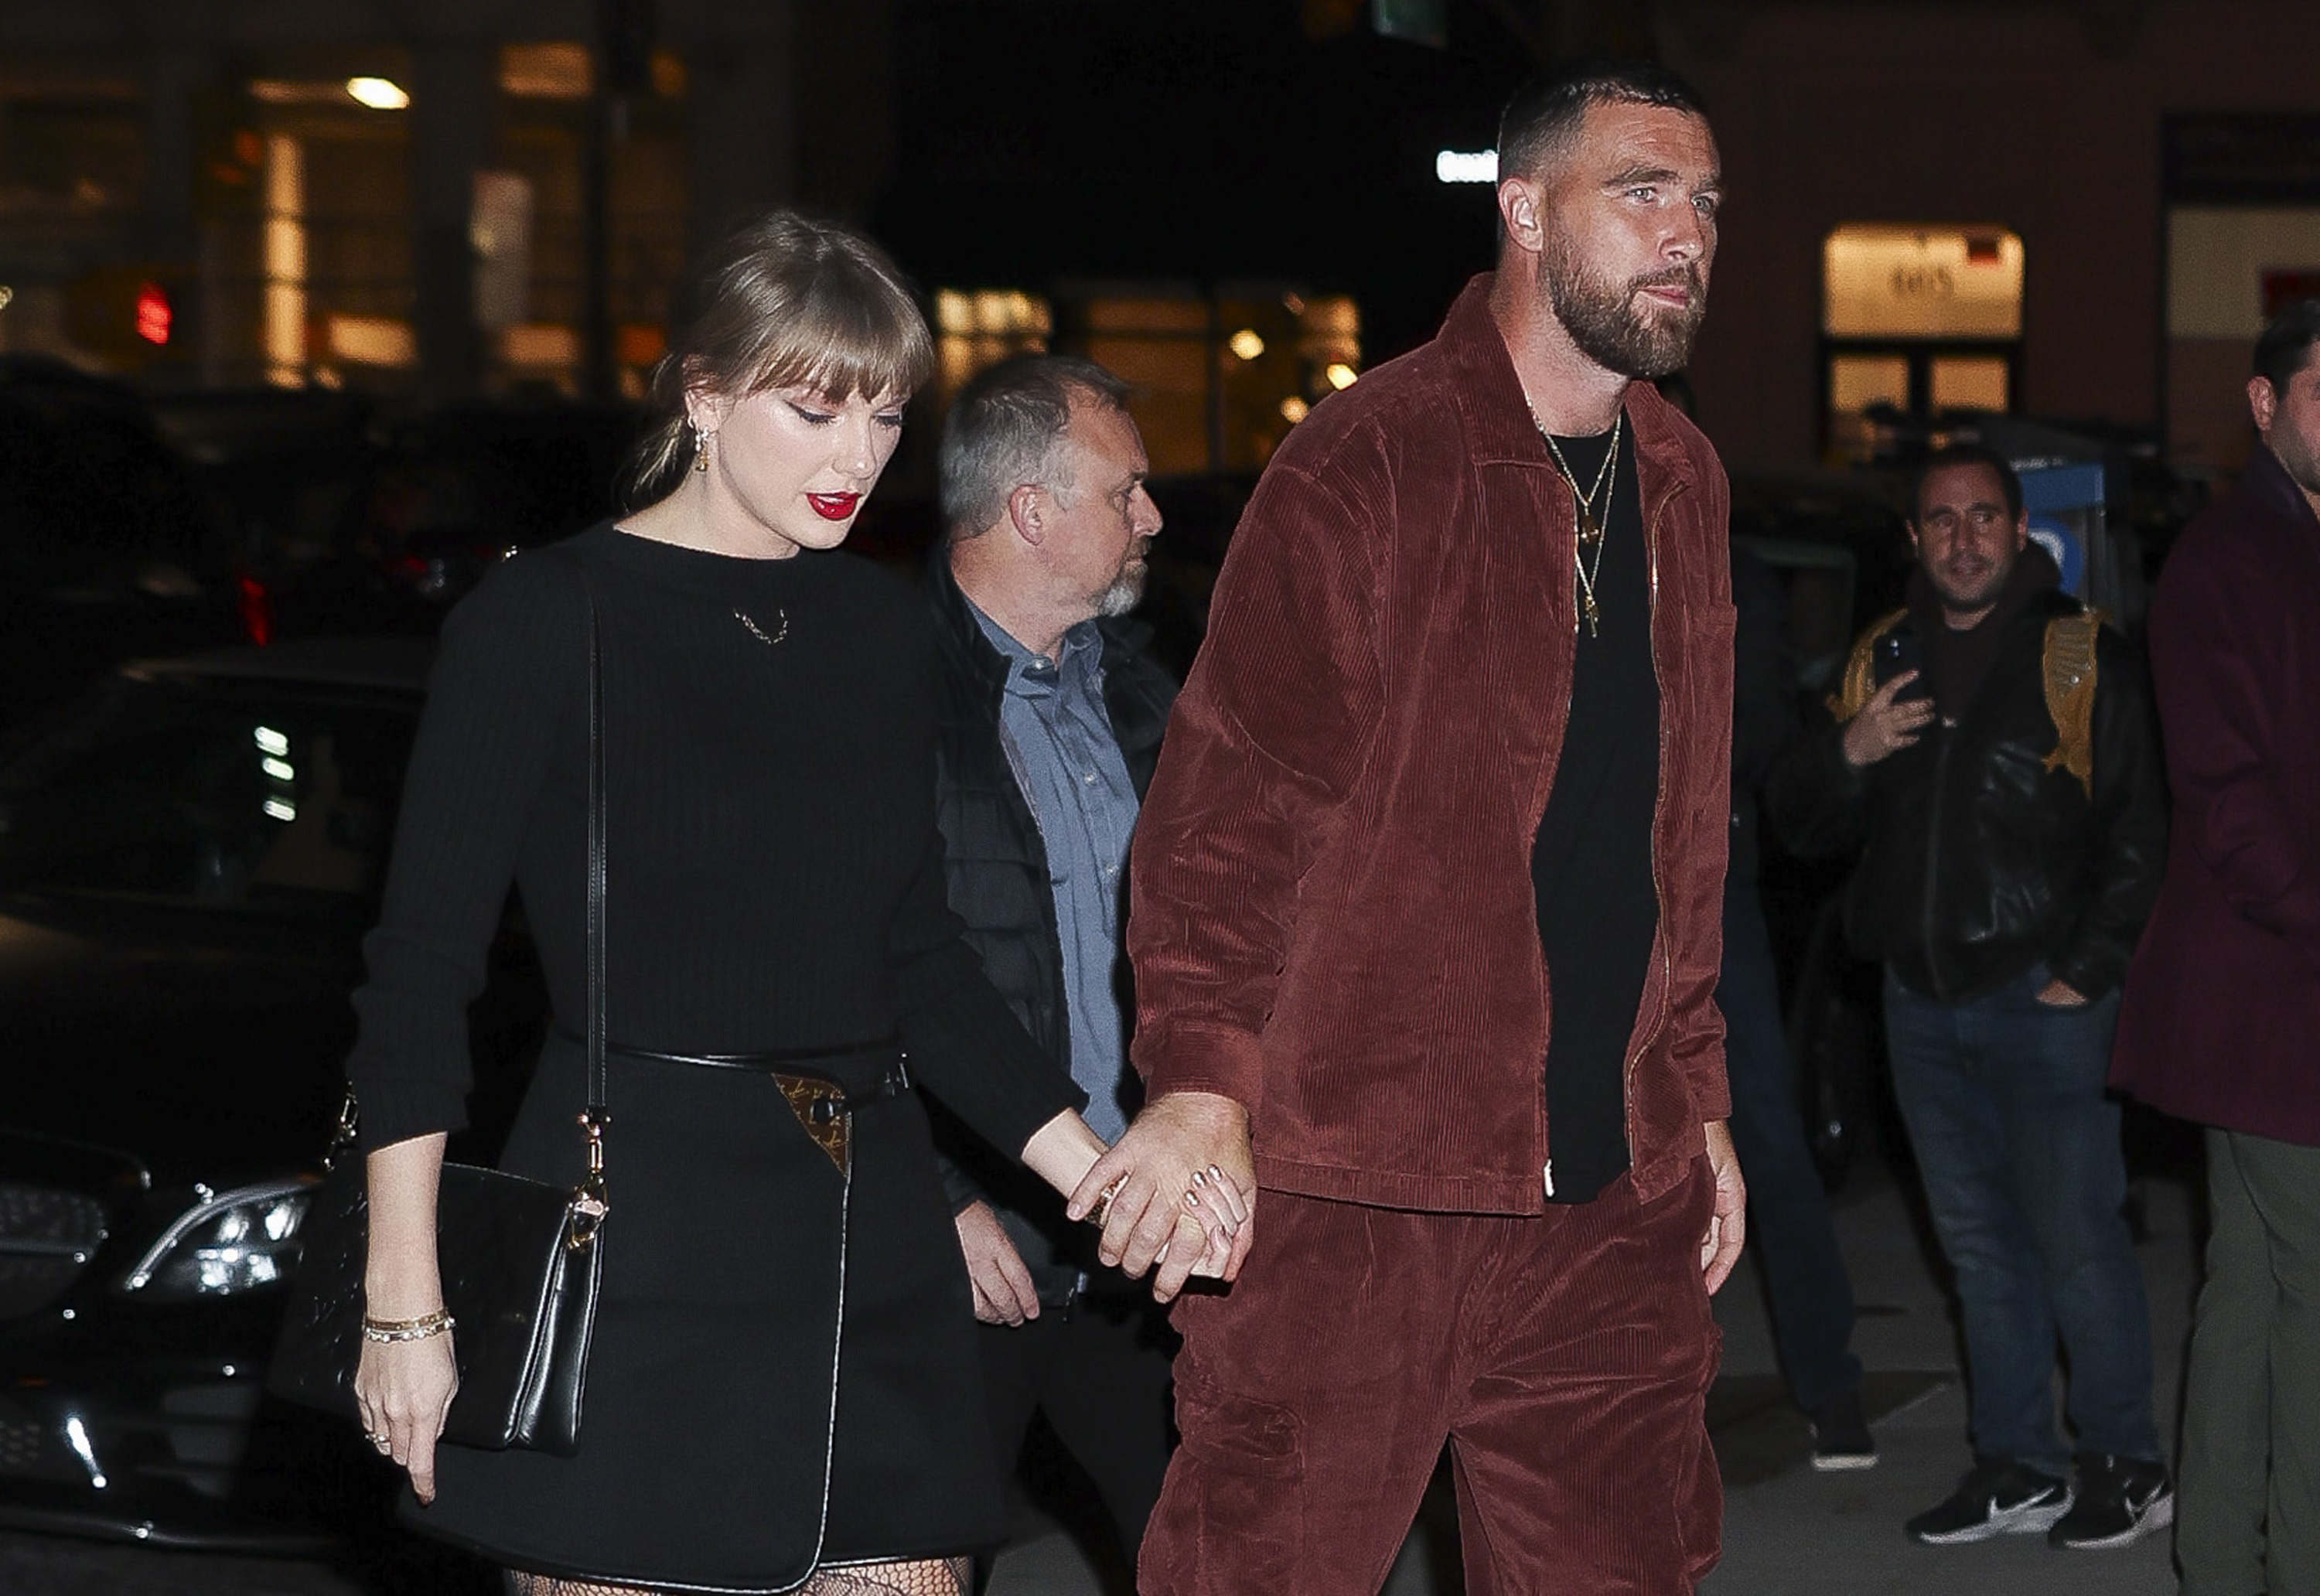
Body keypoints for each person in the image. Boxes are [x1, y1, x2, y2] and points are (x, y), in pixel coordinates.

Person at [343, 212, 1239, 1596]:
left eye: (884, 414)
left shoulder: (877, 629)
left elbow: (916, 955)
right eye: (816, 408)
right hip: (638, 1230)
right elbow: (418, 974)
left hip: (864, 1242)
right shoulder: (545, 621)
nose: (858, 456)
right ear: (703, 392)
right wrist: (405, 1297)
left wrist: (1098, 1178)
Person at [1071, 61, 1745, 1593]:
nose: (1686, 233)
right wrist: (1202, 1080)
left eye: (1705, 202)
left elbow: (1686, 840)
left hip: (1611, 1195)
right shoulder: (1372, 455)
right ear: (1522, 210)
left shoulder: (1688, 479)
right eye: (1642, 192)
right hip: (1359, 1178)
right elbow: (1235, 806)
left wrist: (1695, 1095)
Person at [1766, 442, 2171, 1550]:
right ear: (1914, 540)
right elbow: (1797, 820)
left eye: (1983, 517)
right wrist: (1848, 750)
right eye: (1940, 521)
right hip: (1922, 1005)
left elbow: (2142, 835)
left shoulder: (2080, 657)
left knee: (2077, 1238)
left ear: (2019, 527)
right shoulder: (1880, 658)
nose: (1962, 539)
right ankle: (2019, 1463)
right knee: (1979, 1250)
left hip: (2047, 1005)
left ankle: (2126, 1460)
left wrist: (2084, 970)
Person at [923, 354, 1179, 1581]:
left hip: (1139, 1237)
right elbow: (845, 975)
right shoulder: (887, 695)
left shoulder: (1143, 696)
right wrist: (937, 1198)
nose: (1153, 519)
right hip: (972, 1247)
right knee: (916, 1567)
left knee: (1202, 1551)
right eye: (1127, 491)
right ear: (1033, 510)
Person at [2111, 298, 2320, 1596]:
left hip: (2275, 994)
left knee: (2251, 1287)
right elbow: (2231, 802)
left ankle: (2219, 1559)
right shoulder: (2229, 560)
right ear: (2264, 401)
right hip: (2273, 992)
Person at [1721, 545, 1874, 1470]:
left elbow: (1768, 735)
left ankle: (1830, 1380)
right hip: (1575, 889)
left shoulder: (1723, 566)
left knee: (1767, 1133)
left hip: (1704, 887)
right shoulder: (1537, 531)